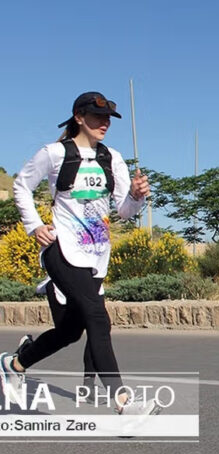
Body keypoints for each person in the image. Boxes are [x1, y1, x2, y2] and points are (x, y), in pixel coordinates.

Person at [0, 91, 159, 415]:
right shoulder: (55, 153)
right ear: (79, 117)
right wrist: (34, 226)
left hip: (96, 254)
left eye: (108, 120)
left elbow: (125, 211)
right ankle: (123, 402)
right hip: (62, 250)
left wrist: (138, 196)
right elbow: (21, 186)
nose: (104, 124)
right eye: (98, 117)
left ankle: (15, 364)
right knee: (99, 320)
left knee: (71, 332)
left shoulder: (111, 158)